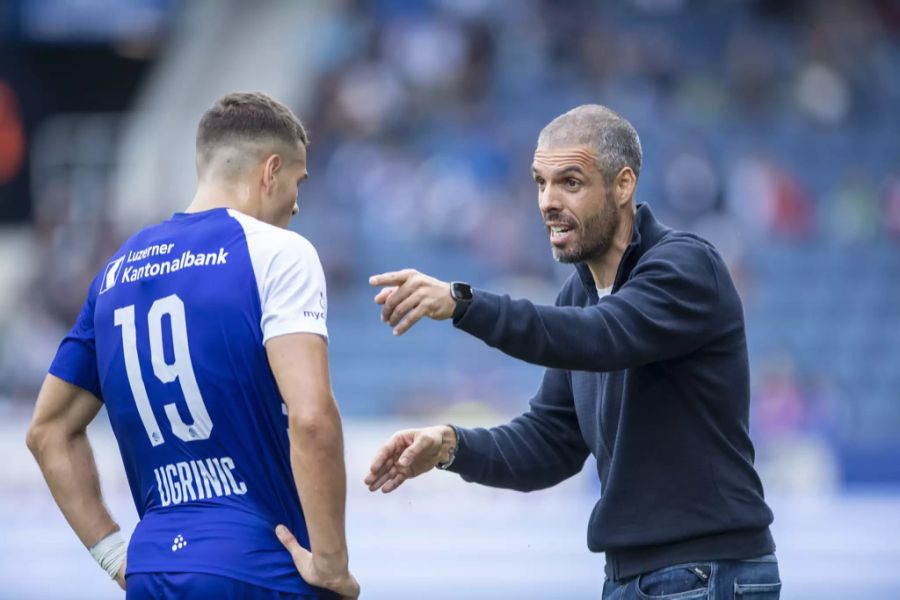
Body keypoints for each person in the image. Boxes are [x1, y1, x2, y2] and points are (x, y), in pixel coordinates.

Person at [366, 105, 781, 599]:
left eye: (570, 182)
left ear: (623, 185)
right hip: (639, 577)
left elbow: (598, 337)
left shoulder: (685, 266)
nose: (547, 201)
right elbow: (551, 442)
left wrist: (462, 304)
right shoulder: (578, 295)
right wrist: (451, 445)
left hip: (705, 570)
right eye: (540, 182)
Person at [26, 92, 359, 599]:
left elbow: (47, 430)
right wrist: (332, 563)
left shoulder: (116, 272)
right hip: (260, 570)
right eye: (298, 181)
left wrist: (116, 556)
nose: (297, 202)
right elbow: (311, 420)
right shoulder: (278, 253)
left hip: (154, 571)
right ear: (270, 171)